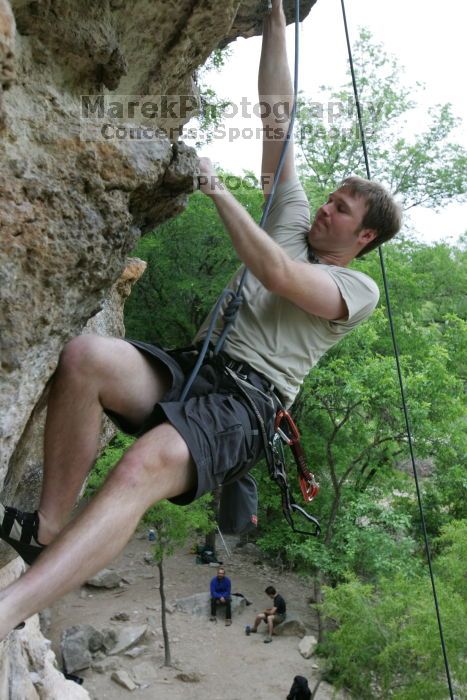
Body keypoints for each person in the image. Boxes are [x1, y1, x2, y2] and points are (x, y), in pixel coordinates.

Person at [0, 0, 401, 638]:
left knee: (141, 468)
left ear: (366, 235)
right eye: (330, 198)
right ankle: (47, 530)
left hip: (248, 404)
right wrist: (275, 19)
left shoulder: (355, 288)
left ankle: (9, 611)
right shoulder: (293, 216)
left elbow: (277, 276)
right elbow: (280, 119)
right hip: (201, 366)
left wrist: (217, 191)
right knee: (85, 358)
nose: (326, 208)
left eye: (343, 209)